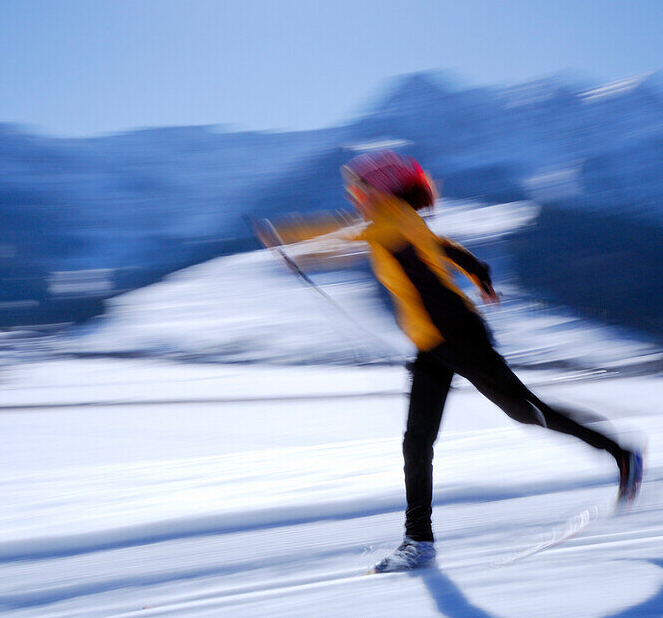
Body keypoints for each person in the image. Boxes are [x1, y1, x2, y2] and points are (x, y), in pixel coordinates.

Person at [260, 151, 642, 573]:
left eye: (361, 188)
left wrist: (291, 241)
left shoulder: (389, 221)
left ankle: (620, 453)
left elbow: (341, 240)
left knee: (527, 412)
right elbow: (443, 248)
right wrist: (479, 271)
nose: (354, 196)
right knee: (416, 441)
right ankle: (418, 542)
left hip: (459, 336)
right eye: (354, 189)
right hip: (431, 346)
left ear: (382, 189)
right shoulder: (399, 218)